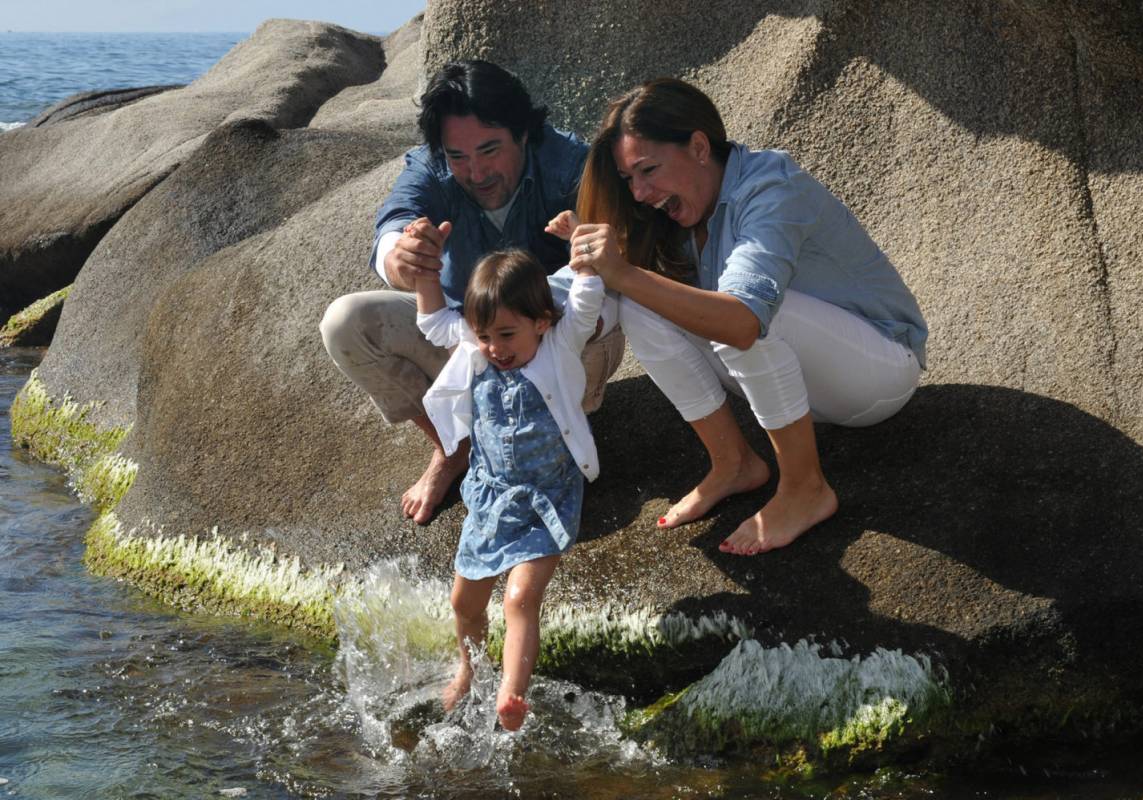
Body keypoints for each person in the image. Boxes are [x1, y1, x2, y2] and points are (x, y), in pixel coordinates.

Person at [568, 78, 928, 556]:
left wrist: (624, 273)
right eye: (629, 179)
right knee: (641, 303)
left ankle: (805, 489)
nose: (638, 193)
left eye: (647, 170)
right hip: (809, 381)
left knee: (742, 316)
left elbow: (742, 323)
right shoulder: (681, 214)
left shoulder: (771, 186)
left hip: (880, 373)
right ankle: (734, 462)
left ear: (699, 146)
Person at [319, 60, 622, 524]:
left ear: (523, 134)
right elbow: (393, 221)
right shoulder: (430, 166)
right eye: (457, 157)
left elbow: (618, 256)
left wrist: (548, 311)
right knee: (345, 322)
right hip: (470, 344)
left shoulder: (567, 162)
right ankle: (452, 449)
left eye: (489, 150)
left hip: (561, 348)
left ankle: (544, 438)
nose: (476, 172)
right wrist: (399, 257)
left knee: (605, 306)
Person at [414, 239, 604, 731]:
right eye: (484, 336)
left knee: (520, 598)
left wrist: (582, 253)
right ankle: (469, 667)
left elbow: (585, 305)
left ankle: (512, 695)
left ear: (541, 321)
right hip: (490, 495)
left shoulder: (558, 347)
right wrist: (426, 271)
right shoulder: (479, 348)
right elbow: (435, 323)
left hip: (547, 497)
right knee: (464, 602)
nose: (495, 348)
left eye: (506, 334)